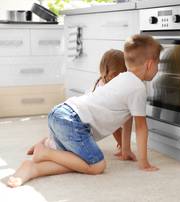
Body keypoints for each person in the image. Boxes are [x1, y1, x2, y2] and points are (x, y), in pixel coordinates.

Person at [7, 34, 162, 188]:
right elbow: (141, 127)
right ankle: (45, 152)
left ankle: (34, 167)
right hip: (73, 121)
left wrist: (125, 149)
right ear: (149, 64)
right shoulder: (137, 88)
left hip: (61, 113)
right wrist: (144, 163)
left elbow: (127, 118)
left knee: (74, 159)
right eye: (158, 64)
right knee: (96, 165)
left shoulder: (120, 79)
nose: (158, 68)